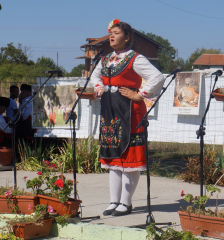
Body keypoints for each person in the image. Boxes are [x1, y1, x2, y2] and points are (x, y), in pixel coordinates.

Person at [91, 19, 165, 216]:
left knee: (129, 157)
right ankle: (114, 201)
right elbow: (95, 76)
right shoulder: (105, 59)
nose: (112, 36)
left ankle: (126, 202)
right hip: (110, 109)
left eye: (116, 32)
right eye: (110, 33)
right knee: (113, 155)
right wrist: (99, 88)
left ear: (127, 38)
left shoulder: (135, 58)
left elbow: (157, 77)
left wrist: (140, 95)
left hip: (130, 110)